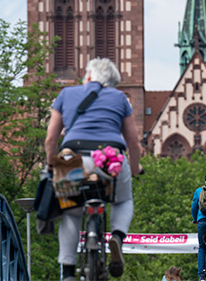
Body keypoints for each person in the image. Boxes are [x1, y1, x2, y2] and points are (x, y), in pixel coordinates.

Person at [44, 58, 142, 281]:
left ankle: (68, 271)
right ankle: (116, 237)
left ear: (88, 76)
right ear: (111, 84)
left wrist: (51, 162)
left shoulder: (66, 94)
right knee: (123, 200)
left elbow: (51, 138)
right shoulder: (119, 98)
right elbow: (134, 143)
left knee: (70, 211)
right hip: (110, 156)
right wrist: (135, 168)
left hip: (71, 156)